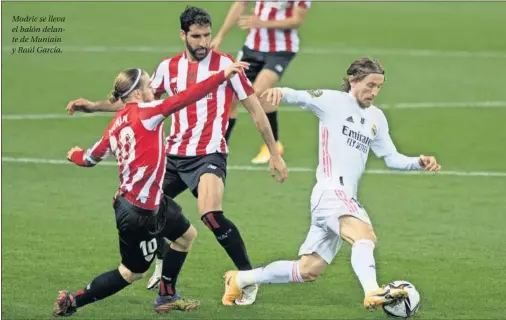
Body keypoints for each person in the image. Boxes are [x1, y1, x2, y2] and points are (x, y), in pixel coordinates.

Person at [65, 6, 288, 306]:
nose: (203, 42)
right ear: (183, 35)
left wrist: (274, 152)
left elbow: (255, 110)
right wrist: (93, 106)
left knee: (210, 214)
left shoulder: (227, 65)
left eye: (207, 35)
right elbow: (137, 104)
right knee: (146, 209)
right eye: (196, 36)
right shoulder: (167, 68)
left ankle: (247, 278)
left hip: (208, 153)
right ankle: (164, 284)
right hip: (172, 156)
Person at [221, 57, 441, 310]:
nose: (374, 92)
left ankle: (241, 278)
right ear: (354, 80)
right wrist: (278, 91)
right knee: (364, 236)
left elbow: (391, 158)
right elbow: (299, 96)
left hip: (343, 198)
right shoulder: (334, 101)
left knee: (308, 269)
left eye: (379, 87)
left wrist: (418, 162)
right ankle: (372, 291)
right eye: (370, 85)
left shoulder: (376, 118)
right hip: (331, 192)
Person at [53, 62, 249, 317]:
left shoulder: (115, 124)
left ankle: (166, 295)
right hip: (139, 214)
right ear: (137, 94)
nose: (153, 88)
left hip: (147, 203)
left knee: (186, 236)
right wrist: (223, 75)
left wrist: (75, 154)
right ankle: (74, 301)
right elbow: (188, 96)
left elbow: (90, 158)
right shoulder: (148, 112)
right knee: (131, 272)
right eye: (148, 85)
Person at [211, 1, 311, 164]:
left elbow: (297, 20)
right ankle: (220, 148)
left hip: (281, 50)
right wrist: (220, 35)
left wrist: (262, 23)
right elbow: (240, 4)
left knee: (256, 92)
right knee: (231, 97)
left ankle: (272, 146)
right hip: (252, 48)